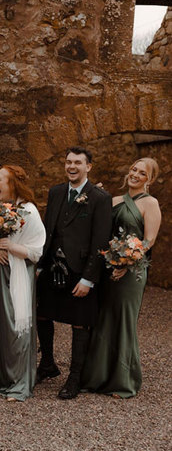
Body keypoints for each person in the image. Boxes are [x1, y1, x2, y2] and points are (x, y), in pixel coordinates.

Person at [81, 157, 161, 398]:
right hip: (109, 268)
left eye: (142, 173)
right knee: (104, 318)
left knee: (124, 320)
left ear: (150, 179)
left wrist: (127, 263)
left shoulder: (151, 203)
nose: (135, 174)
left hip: (132, 272)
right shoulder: (114, 200)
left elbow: (149, 240)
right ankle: (97, 378)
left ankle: (123, 382)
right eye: (133, 169)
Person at [36, 146, 112, 400]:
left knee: (80, 323)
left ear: (88, 166)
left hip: (79, 271)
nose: (71, 166)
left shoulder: (100, 197)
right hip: (51, 267)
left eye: (77, 163)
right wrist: (38, 264)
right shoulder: (56, 192)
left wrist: (89, 279)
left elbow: (100, 241)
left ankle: (75, 377)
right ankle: (47, 364)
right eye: (68, 162)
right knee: (43, 315)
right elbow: (48, 230)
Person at [0, 165, 46, 401]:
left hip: (16, 275)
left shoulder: (29, 211)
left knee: (15, 327)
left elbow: (36, 251)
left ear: (13, 182)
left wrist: (12, 247)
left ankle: (17, 381)